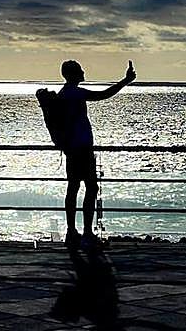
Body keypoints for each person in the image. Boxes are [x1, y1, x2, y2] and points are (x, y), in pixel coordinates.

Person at [58, 58, 136, 249]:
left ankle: (71, 231)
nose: (84, 72)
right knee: (91, 188)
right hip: (82, 149)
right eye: (80, 70)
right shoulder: (75, 93)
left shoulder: (63, 94)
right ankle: (86, 233)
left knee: (73, 188)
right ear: (73, 74)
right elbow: (103, 95)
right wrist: (125, 81)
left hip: (71, 149)